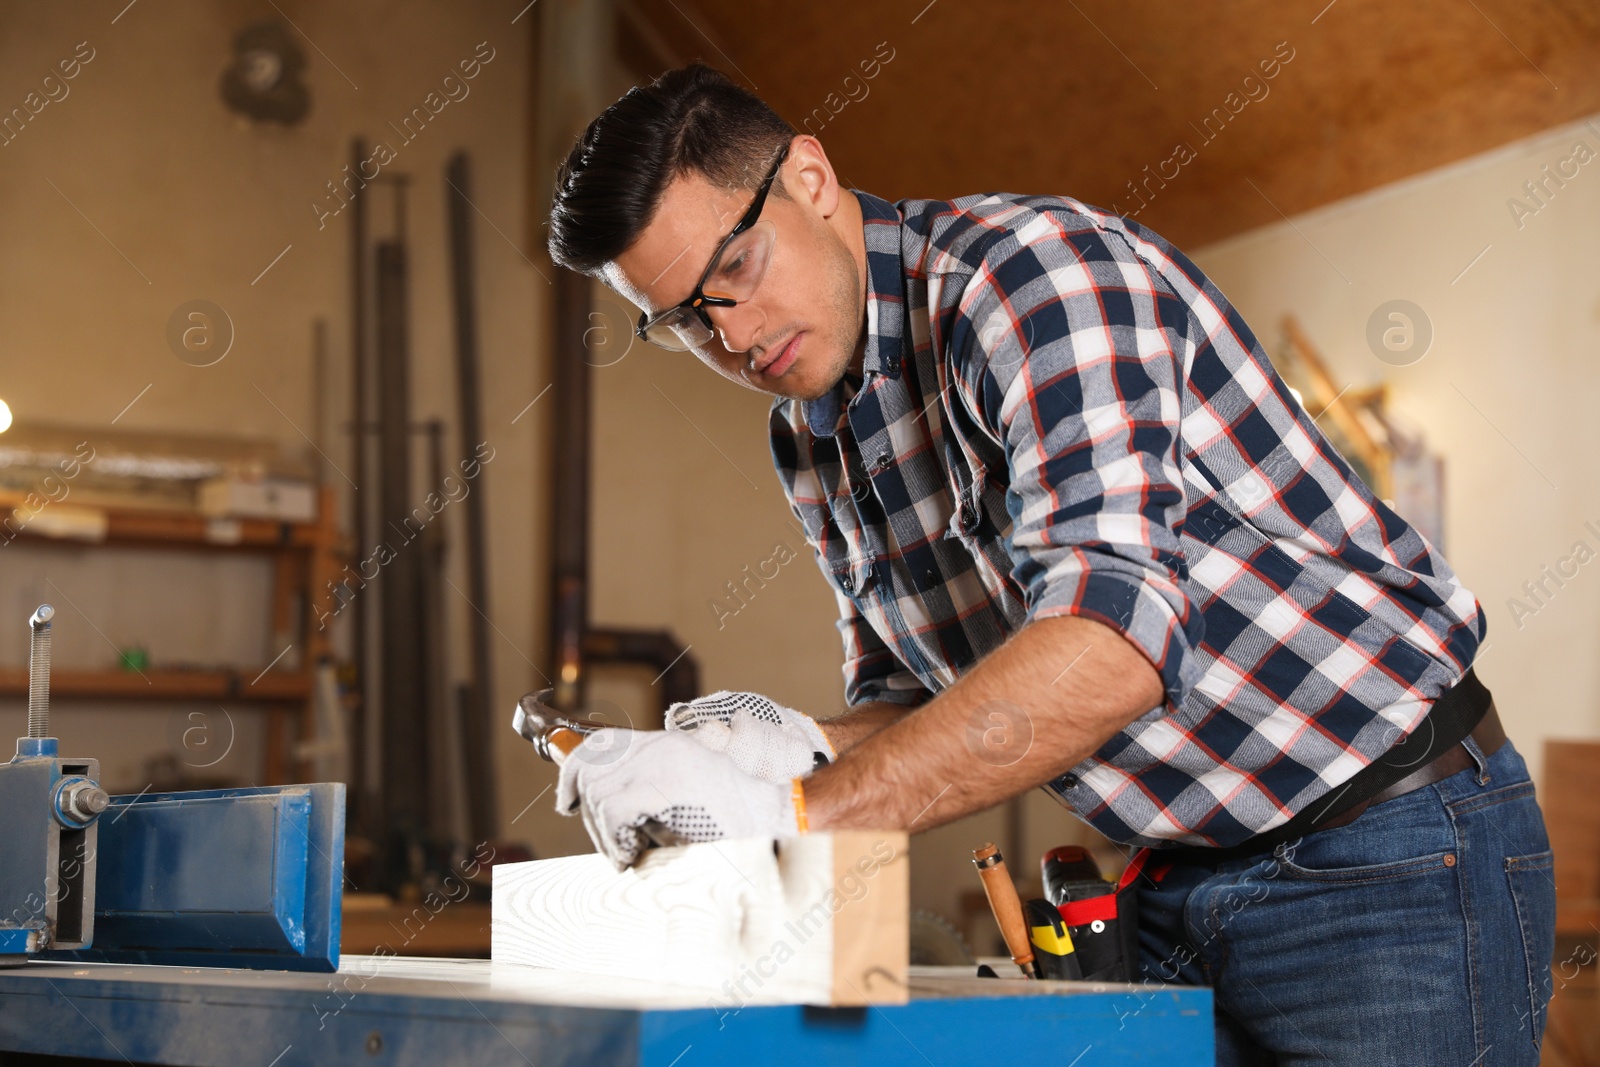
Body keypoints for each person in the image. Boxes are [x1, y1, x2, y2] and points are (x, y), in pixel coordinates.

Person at [544, 62, 1554, 1064]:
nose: (729, 333)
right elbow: (920, 695)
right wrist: (786, 746)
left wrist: (795, 810)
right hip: (1174, 874)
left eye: (736, 272)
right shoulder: (808, 434)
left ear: (808, 178)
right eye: (681, 319)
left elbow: (1113, 644)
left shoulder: (1031, 281)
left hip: (1388, 848)